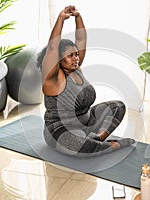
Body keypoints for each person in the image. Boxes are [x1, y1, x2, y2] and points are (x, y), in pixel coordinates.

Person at [37, 5, 135, 157]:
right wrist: (61, 19)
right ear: (59, 59)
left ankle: (98, 139)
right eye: (70, 55)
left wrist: (78, 17)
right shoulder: (53, 80)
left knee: (118, 106)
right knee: (81, 146)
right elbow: (52, 48)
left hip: (87, 125)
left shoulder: (76, 68)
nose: (76, 58)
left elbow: (81, 39)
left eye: (76, 54)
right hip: (60, 132)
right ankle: (113, 146)